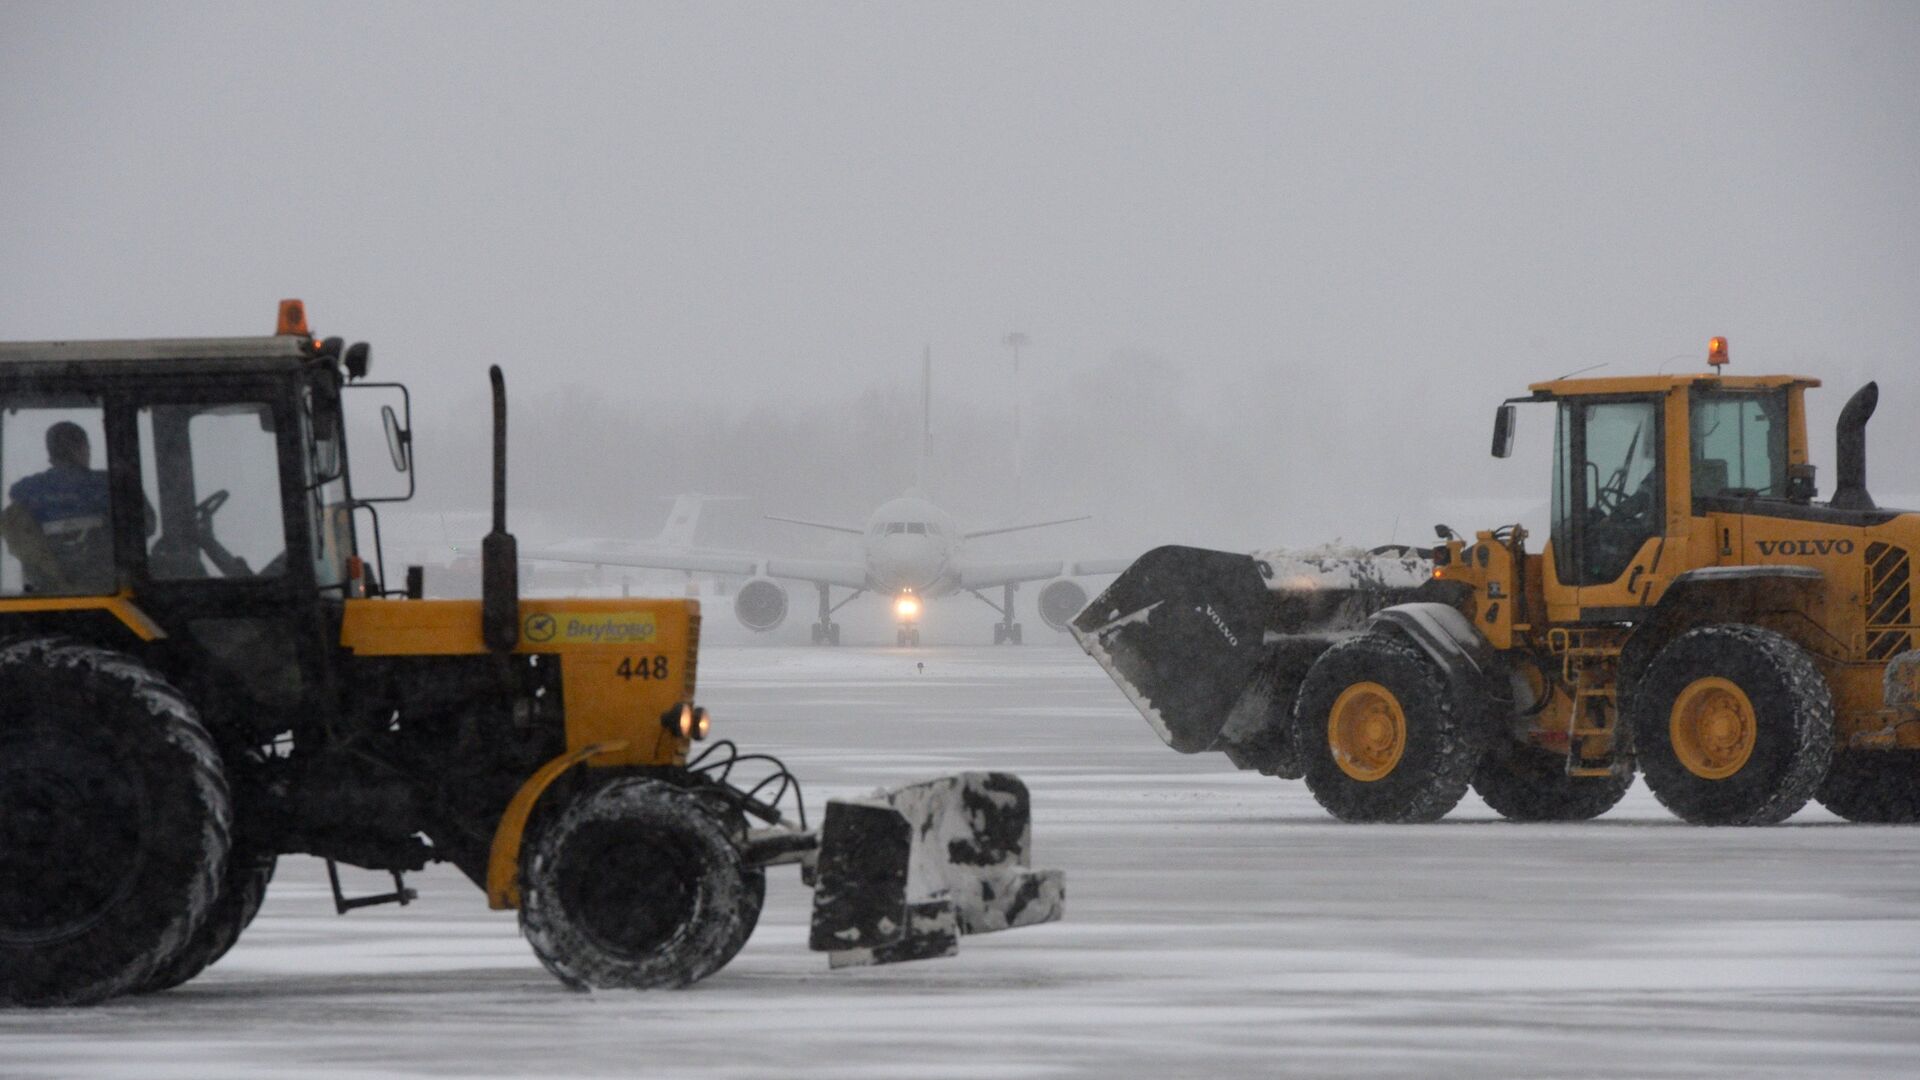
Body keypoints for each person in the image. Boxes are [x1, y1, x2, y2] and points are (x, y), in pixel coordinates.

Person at [2, 421, 114, 593]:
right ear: (80, 449)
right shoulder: (109, 486)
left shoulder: (27, 492)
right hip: (103, 589)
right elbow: (146, 524)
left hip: (45, 593)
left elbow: (16, 534)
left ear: (51, 452)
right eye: (88, 448)